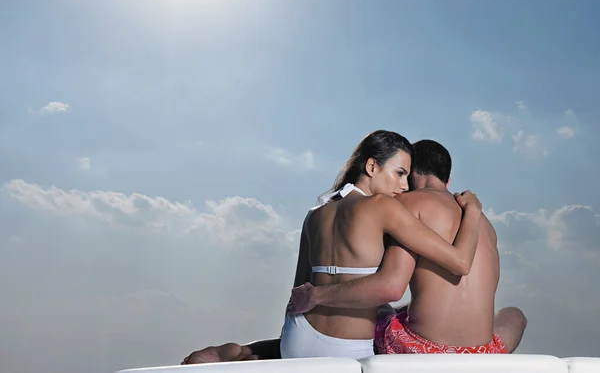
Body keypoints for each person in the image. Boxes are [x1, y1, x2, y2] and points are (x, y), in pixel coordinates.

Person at [182, 130, 483, 363]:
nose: (404, 186)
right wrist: (473, 212)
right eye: (399, 173)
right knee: (399, 328)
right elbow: (459, 262)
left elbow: (300, 290)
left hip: (296, 339)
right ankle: (245, 353)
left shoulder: (316, 212)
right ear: (372, 166)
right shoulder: (384, 208)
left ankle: (243, 353)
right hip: (346, 350)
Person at [288, 140, 527, 354]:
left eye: (405, 175)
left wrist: (316, 295)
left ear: (413, 173)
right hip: (480, 352)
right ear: (448, 180)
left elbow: (390, 286)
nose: (402, 185)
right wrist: (473, 210)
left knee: (380, 306)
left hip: (421, 348)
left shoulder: (405, 204)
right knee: (515, 314)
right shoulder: (483, 224)